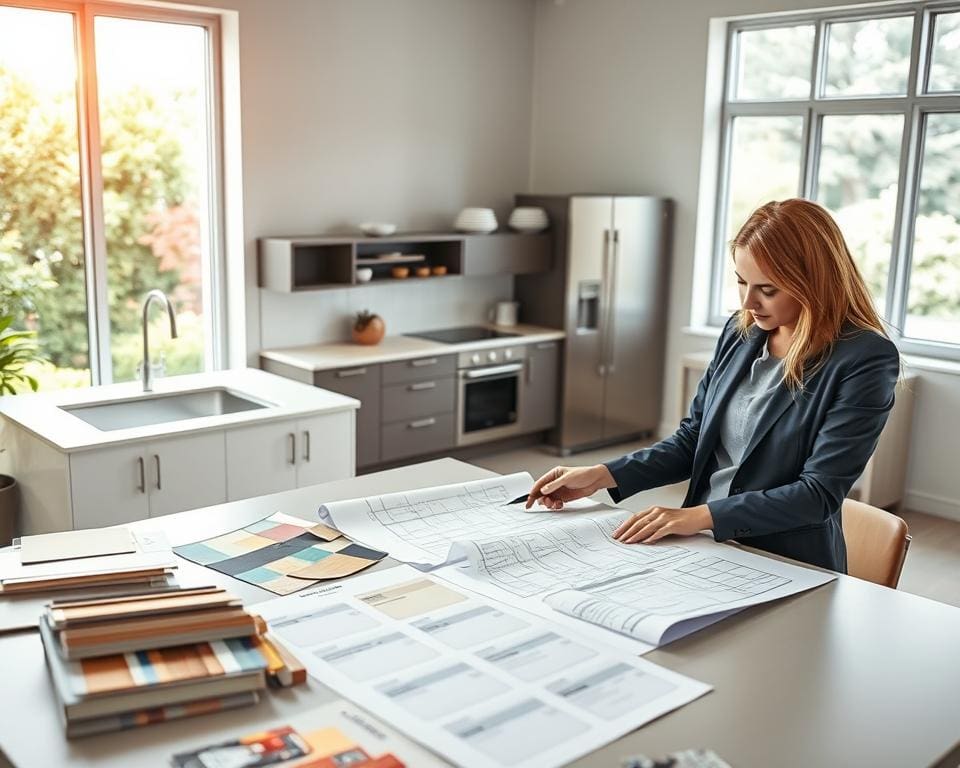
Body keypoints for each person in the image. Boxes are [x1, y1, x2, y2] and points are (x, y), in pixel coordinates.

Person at [526, 198, 900, 572]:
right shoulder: (741, 333)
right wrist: (601, 475)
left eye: (767, 289)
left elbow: (817, 494)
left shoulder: (864, 359)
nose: (749, 302)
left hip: (784, 561)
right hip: (702, 547)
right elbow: (692, 440)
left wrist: (698, 517)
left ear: (813, 282)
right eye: (741, 282)